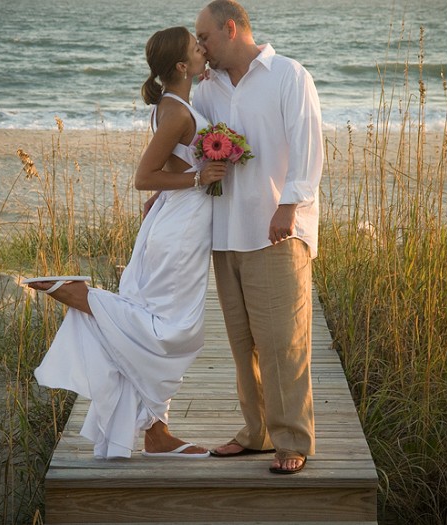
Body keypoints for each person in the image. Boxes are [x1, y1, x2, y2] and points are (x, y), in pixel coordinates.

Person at [26, 26, 227, 459]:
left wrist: (171, 186)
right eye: (197, 48)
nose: (203, 51)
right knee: (176, 329)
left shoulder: (173, 105)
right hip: (181, 227)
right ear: (180, 65)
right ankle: (81, 294)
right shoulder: (175, 112)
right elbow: (142, 176)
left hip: (177, 218)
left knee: (159, 320)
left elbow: (166, 167)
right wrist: (197, 177)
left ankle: (156, 433)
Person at [193, 0, 323, 474]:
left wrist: (289, 205)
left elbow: (308, 145)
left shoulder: (288, 75)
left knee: (282, 340)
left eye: (204, 37)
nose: (200, 47)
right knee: (242, 341)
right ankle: (257, 432)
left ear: (231, 29)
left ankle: (293, 439)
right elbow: (188, 140)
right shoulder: (207, 90)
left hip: (276, 230)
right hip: (227, 231)